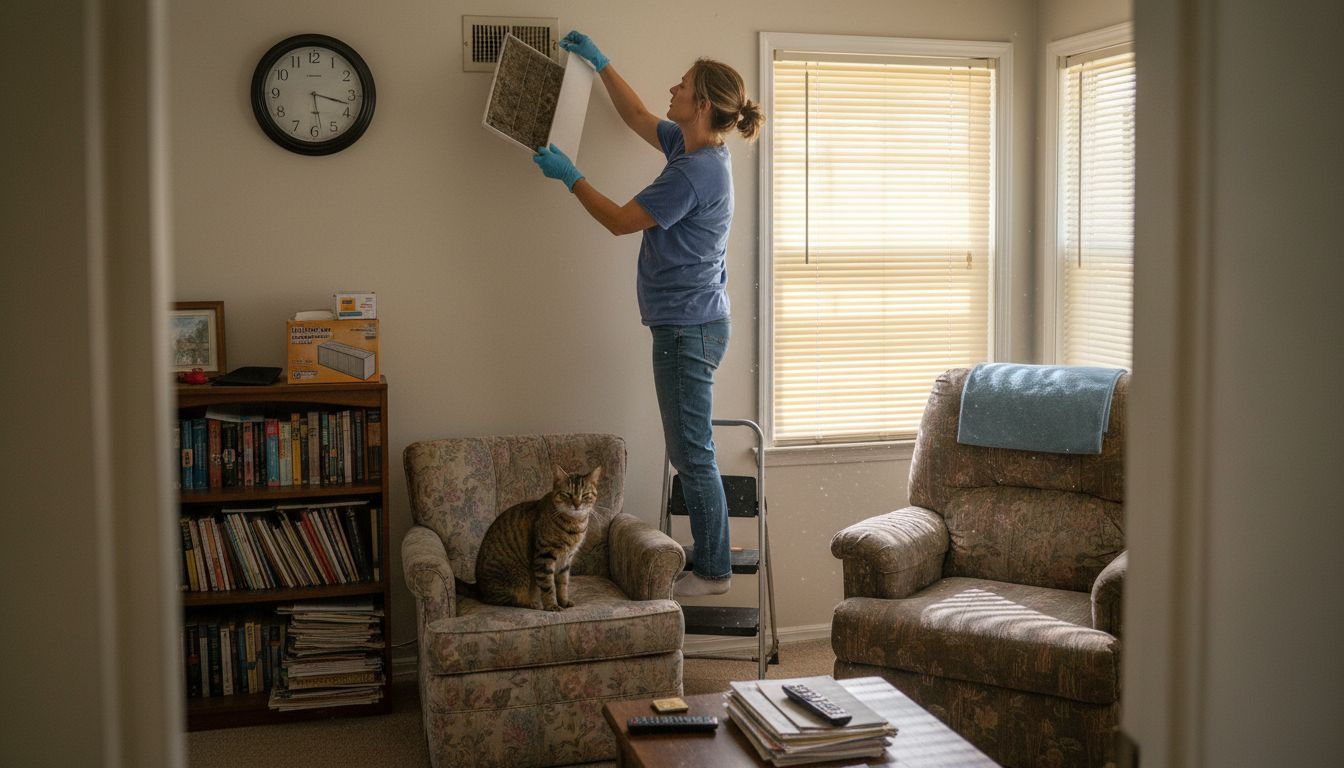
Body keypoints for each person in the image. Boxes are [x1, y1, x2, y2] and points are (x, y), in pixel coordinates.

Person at [533, 30, 763, 597]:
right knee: (693, 451)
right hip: (692, 323)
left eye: (682, 86)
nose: (672, 88)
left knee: (692, 456)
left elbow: (618, 219)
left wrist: (570, 176)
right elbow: (636, 115)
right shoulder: (694, 149)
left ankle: (712, 571)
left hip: (688, 329)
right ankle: (711, 557)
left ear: (703, 105)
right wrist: (601, 64)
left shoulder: (693, 172)